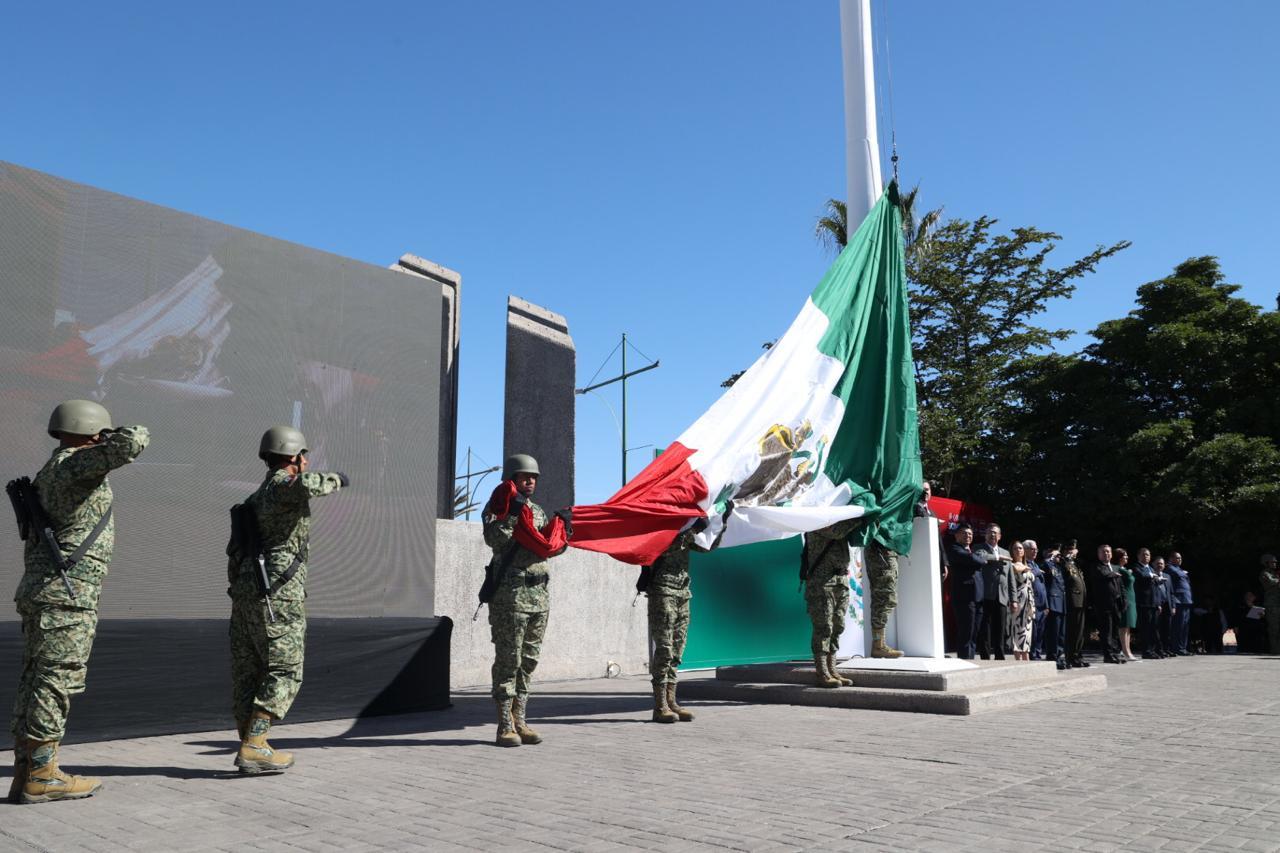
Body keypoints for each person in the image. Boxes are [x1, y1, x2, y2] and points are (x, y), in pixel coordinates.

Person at [9, 400, 149, 804]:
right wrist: (117, 433)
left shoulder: (52, 469)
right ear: (93, 432)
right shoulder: (73, 466)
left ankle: (28, 770)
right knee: (56, 681)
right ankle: (43, 774)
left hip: (46, 594)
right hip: (66, 597)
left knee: (38, 680)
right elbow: (132, 442)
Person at [228, 425, 347, 774]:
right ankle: (255, 744)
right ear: (293, 457)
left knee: (249, 670)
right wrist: (338, 479)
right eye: (303, 456)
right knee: (284, 669)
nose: (307, 462)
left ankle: (253, 743)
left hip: (249, 593)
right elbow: (309, 485)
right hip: (277, 595)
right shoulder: (282, 487)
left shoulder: (255, 498)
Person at [482, 454, 569, 747]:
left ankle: (521, 720)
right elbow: (495, 540)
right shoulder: (499, 507)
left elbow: (546, 548)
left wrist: (563, 534)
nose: (530, 481)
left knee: (528, 662)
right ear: (512, 479)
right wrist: (512, 514)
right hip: (512, 597)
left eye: (533, 477)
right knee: (509, 660)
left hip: (539, 599)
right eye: (524, 477)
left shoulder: (538, 510)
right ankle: (505, 725)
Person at [643, 517, 718, 723]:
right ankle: (660, 707)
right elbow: (661, 549)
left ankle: (671, 701)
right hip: (663, 591)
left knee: (677, 650)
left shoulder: (685, 528)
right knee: (665, 650)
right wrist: (691, 530)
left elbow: (706, 548)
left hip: (683, 592)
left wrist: (723, 523)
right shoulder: (659, 524)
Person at [803, 517, 863, 685]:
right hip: (822, 582)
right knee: (824, 627)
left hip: (840, 579)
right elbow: (837, 532)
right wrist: (860, 517)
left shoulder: (838, 520)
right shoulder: (815, 521)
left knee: (838, 625)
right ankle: (822, 672)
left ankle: (832, 669)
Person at [945, 523, 991, 660]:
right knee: (966, 632)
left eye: (970, 534)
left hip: (977, 597)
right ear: (957, 535)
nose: (968, 536)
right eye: (964, 533)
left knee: (974, 633)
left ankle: (970, 660)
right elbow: (972, 559)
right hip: (964, 598)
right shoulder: (954, 549)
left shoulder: (971, 551)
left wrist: (979, 560)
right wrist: (981, 560)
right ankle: (964, 661)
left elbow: (976, 560)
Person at [974, 524, 1014, 660]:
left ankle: (1000, 656)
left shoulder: (1006, 552)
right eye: (990, 532)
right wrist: (998, 558)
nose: (992, 535)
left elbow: (1011, 578)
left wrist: (1013, 599)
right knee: (985, 628)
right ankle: (985, 657)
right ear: (985, 535)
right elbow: (981, 556)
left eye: (995, 533)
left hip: (1002, 596)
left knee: (1000, 628)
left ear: (1000, 536)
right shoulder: (979, 548)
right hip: (986, 594)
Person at [1088, 544, 1126, 664]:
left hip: (1116, 604)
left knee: (1115, 630)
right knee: (1106, 631)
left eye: (1108, 552)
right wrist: (1112, 575)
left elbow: (1121, 586)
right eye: (1103, 552)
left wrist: (1124, 601)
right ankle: (1108, 655)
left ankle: (1115, 653)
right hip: (1103, 605)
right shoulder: (1096, 567)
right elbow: (1102, 575)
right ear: (1099, 554)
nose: (1106, 554)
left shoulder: (1115, 567)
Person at [1061, 541, 1090, 668]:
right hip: (1072, 601)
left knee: (1080, 631)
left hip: (1081, 601)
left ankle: (1077, 655)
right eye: (1069, 550)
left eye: (1073, 550)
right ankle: (1069, 656)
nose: (1072, 552)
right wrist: (1066, 558)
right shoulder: (1063, 562)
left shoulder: (1076, 564)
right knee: (1072, 630)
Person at [1040, 542, 1068, 670]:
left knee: (1061, 634)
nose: (1058, 555)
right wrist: (1050, 558)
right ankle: (1052, 657)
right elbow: (1044, 568)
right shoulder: (1047, 564)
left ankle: (1060, 656)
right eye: (1056, 552)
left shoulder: (1060, 566)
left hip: (1062, 603)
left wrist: (1063, 558)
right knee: (1053, 633)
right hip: (1053, 602)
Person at [1008, 541, 1035, 661]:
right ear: (1012, 551)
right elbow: (1015, 569)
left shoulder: (1026, 565)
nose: (1019, 550)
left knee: (1027, 632)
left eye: (1021, 548)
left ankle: (1026, 658)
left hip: (1029, 602)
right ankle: (1018, 660)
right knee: (1017, 631)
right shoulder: (1011, 564)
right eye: (1015, 548)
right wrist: (1025, 568)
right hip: (1018, 601)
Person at [1133, 548, 1161, 659]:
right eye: (1144, 555)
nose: (1146, 557)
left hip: (1153, 602)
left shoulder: (1151, 568)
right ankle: (1146, 651)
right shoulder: (1136, 567)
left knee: (1153, 627)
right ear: (1139, 556)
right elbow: (1141, 577)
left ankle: (1152, 650)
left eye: (1148, 555)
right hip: (1144, 603)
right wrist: (1151, 576)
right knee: (1146, 628)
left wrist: (1158, 603)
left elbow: (1155, 586)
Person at [1166, 552, 1194, 655]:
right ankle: (1177, 648)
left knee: (1185, 626)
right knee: (1178, 625)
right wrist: (1184, 573)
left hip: (1186, 599)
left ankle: (1183, 647)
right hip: (1179, 600)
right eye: (1177, 558)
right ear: (1171, 558)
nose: (1180, 559)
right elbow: (1177, 576)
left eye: (1180, 558)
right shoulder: (1169, 568)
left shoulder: (1180, 569)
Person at [1113, 547, 1138, 661]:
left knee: (1128, 626)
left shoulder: (1124, 569)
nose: (1127, 557)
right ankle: (1125, 650)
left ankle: (1127, 650)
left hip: (1132, 598)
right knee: (1123, 625)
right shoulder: (1117, 568)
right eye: (1125, 556)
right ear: (1119, 557)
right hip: (1125, 598)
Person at [1024, 540, 1048, 660]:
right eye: (1032, 549)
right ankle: (1032, 655)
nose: (1035, 551)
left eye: (1036, 549)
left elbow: (1043, 586)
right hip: (1032, 604)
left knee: (1040, 632)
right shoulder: (1024, 563)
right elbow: (1027, 576)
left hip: (1042, 604)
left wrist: (1046, 605)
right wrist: (1037, 572)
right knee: (1033, 633)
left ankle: (1038, 654)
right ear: (1025, 550)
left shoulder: (1035, 564)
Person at [1153, 556, 1174, 658]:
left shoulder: (1167, 576)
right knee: (1158, 628)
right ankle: (1159, 649)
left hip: (1167, 604)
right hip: (1158, 605)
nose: (1159, 565)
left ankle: (1167, 649)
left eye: (1161, 563)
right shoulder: (1152, 575)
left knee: (1168, 629)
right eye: (1157, 563)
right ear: (1153, 564)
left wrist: (1173, 606)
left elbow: (1171, 593)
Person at [1259, 555, 1280, 654]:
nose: (1275, 564)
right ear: (1266, 563)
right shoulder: (1265, 573)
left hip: (1277, 604)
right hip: (1272, 605)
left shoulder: (1275, 573)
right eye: (1272, 562)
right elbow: (1273, 582)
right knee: (1274, 629)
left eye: (1275, 562)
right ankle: (1275, 650)